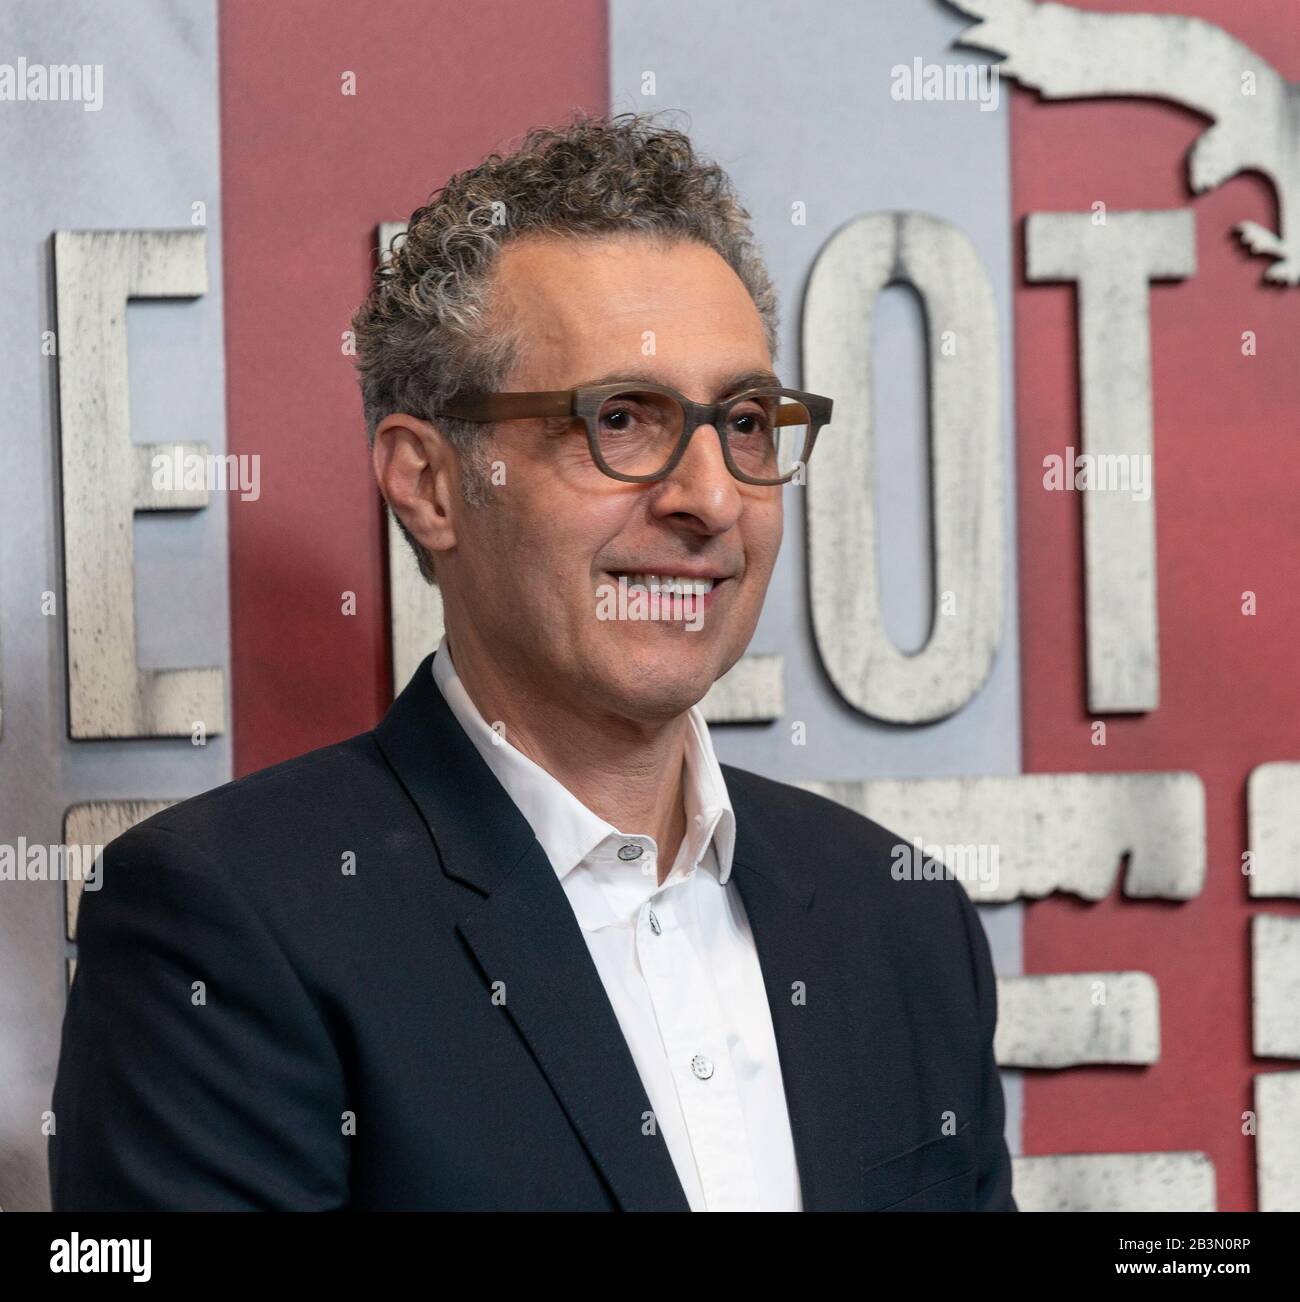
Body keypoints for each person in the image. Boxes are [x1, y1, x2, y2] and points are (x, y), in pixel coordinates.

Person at [49, 110, 1015, 1211]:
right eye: (621, 419)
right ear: (427, 481)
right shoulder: (226, 925)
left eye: (743, 422)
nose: (707, 498)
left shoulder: (898, 920)